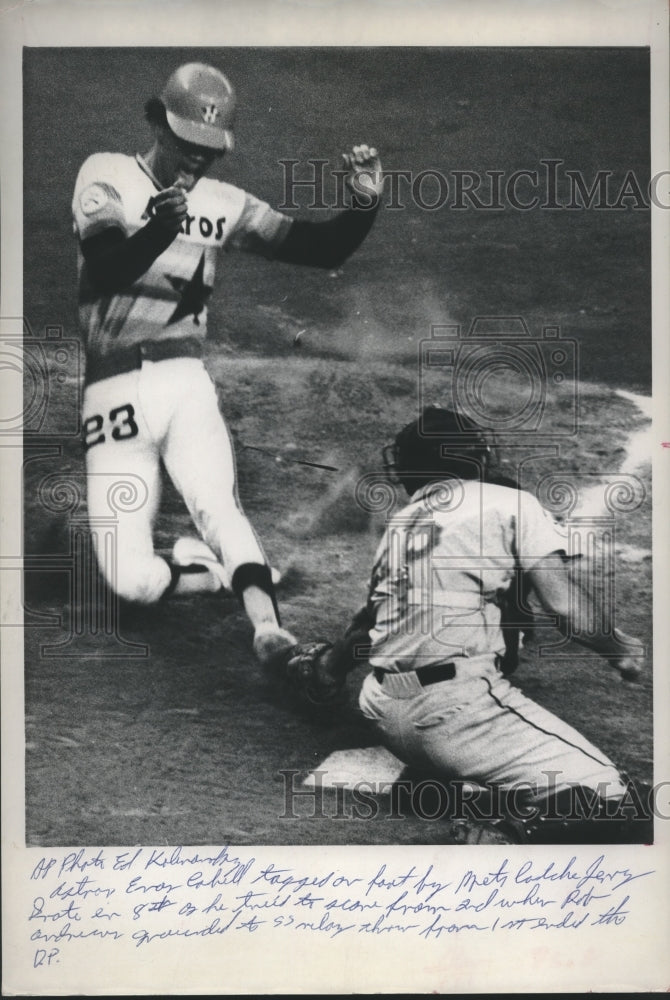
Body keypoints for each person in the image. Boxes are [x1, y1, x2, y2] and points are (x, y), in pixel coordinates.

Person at [71, 62, 383, 666]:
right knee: (131, 583)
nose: (197, 157)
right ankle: (205, 572)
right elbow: (105, 269)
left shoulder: (224, 203)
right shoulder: (105, 174)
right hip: (112, 396)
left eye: (209, 148)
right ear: (157, 122)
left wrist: (364, 202)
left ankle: (268, 629)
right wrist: (159, 232)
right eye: (187, 141)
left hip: (184, 378)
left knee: (218, 505)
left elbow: (321, 249)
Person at [289, 406, 651, 842]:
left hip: (382, 708)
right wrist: (620, 650)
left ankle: (462, 788)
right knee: (619, 801)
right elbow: (565, 607)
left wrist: (328, 669)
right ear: (474, 458)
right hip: (457, 713)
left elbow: (369, 625)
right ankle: (502, 836)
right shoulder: (510, 502)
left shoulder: (400, 525)